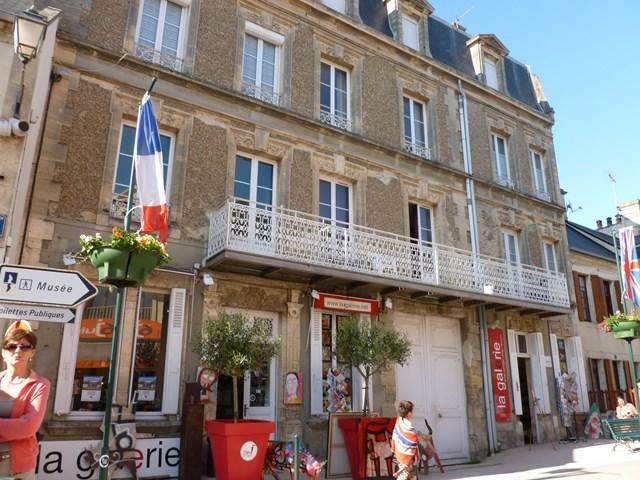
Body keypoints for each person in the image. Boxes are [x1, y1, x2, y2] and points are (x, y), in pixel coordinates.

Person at [0, 320, 51, 480]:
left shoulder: (40, 385)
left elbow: (29, 426)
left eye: (24, 346)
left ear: (32, 352)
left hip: (17, 467)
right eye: (12, 346)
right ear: (3, 352)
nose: (17, 351)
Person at [391, 400, 419, 480]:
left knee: (406, 476)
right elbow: (413, 442)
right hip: (408, 458)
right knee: (407, 476)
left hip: (399, 455)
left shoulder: (398, 422)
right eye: (412, 411)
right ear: (409, 413)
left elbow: (394, 438)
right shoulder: (409, 427)